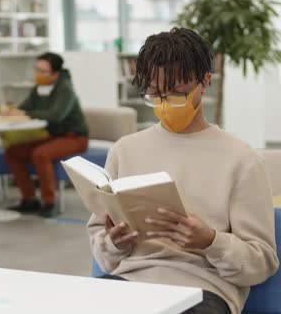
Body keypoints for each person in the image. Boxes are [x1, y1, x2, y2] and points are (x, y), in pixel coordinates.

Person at [88, 28, 279, 314]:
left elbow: (261, 263)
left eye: (177, 94)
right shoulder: (124, 150)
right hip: (127, 282)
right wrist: (113, 243)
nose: (165, 105)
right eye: (155, 95)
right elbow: (101, 249)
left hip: (202, 292)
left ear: (205, 81)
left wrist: (210, 242)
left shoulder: (241, 160)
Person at [1, 52, 89, 218]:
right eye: (37, 70)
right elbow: (24, 108)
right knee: (13, 152)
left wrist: (25, 112)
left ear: (55, 74)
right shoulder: (38, 89)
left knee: (40, 154)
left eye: (43, 71)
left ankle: (50, 202)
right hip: (54, 136)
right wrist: (14, 111)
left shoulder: (65, 89)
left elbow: (56, 115)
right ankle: (29, 199)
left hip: (75, 137)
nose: (38, 74)